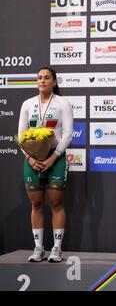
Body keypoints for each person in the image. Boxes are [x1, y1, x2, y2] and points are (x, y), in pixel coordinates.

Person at [18, 67, 73, 262]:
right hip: (32, 160)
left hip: (55, 158)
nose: (42, 81)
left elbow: (67, 134)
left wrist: (53, 158)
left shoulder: (62, 103)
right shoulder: (27, 104)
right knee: (36, 203)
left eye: (46, 78)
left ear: (54, 82)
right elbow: (21, 136)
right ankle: (39, 248)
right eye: (39, 78)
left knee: (57, 203)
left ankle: (56, 249)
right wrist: (30, 157)